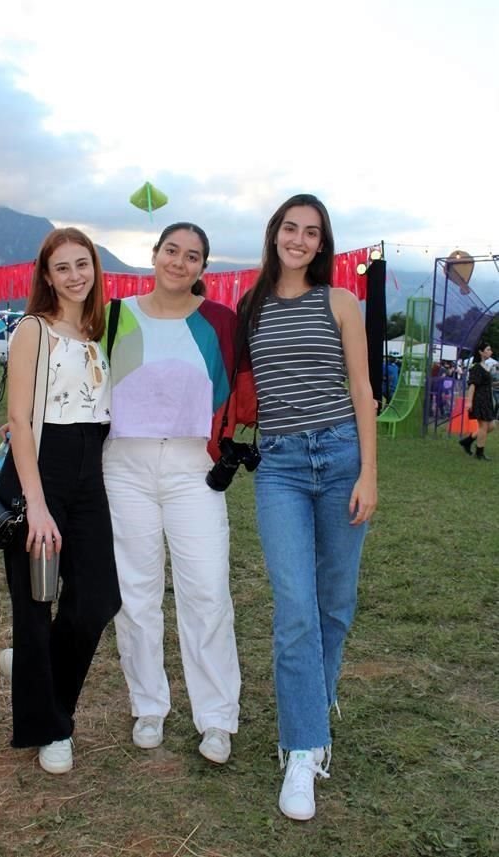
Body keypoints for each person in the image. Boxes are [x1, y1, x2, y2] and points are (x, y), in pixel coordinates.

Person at [239, 194, 377, 821]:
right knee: (295, 607)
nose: (298, 239)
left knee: (335, 603)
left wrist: (369, 473)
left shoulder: (340, 302)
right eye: (290, 228)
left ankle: (312, 710)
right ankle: (302, 748)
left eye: (311, 232)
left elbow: (362, 389)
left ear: (322, 245)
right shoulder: (252, 308)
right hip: (282, 469)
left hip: (343, 456)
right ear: (275, 235)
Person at [103, 222, 254, 765]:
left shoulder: (220, 322)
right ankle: (148, 705)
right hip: (124, 466)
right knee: (136, 593)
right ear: (155, 254)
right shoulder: (115, 316)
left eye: (192, 256)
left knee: (207, 591)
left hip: (194, 468)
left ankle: (216, 717)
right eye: (172, 250)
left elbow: (243, 390)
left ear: (203, 268)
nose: (179, 262)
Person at [0, 227, 121, 775]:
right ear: (46, 276)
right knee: (34, 601)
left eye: (83, 264)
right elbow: (20, 420)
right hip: (39, 471)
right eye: (63, 267)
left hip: (88, 471)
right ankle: (53, 727)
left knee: (97, 598)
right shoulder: (33, 331)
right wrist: (37, 504)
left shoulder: (96, 332)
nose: (75, 275)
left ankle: (35, 669)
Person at [459, 342, 495, 461]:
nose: (491, 351)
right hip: (479, 400)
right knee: (483, 427)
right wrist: (469, 402)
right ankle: (479, 453)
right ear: (481, 352)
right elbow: (472, 385)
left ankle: (467, 441)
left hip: (487, 400)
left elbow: (485, 384)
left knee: (491, 426)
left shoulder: (486, 367)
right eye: (488, 349)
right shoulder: (476, 368)